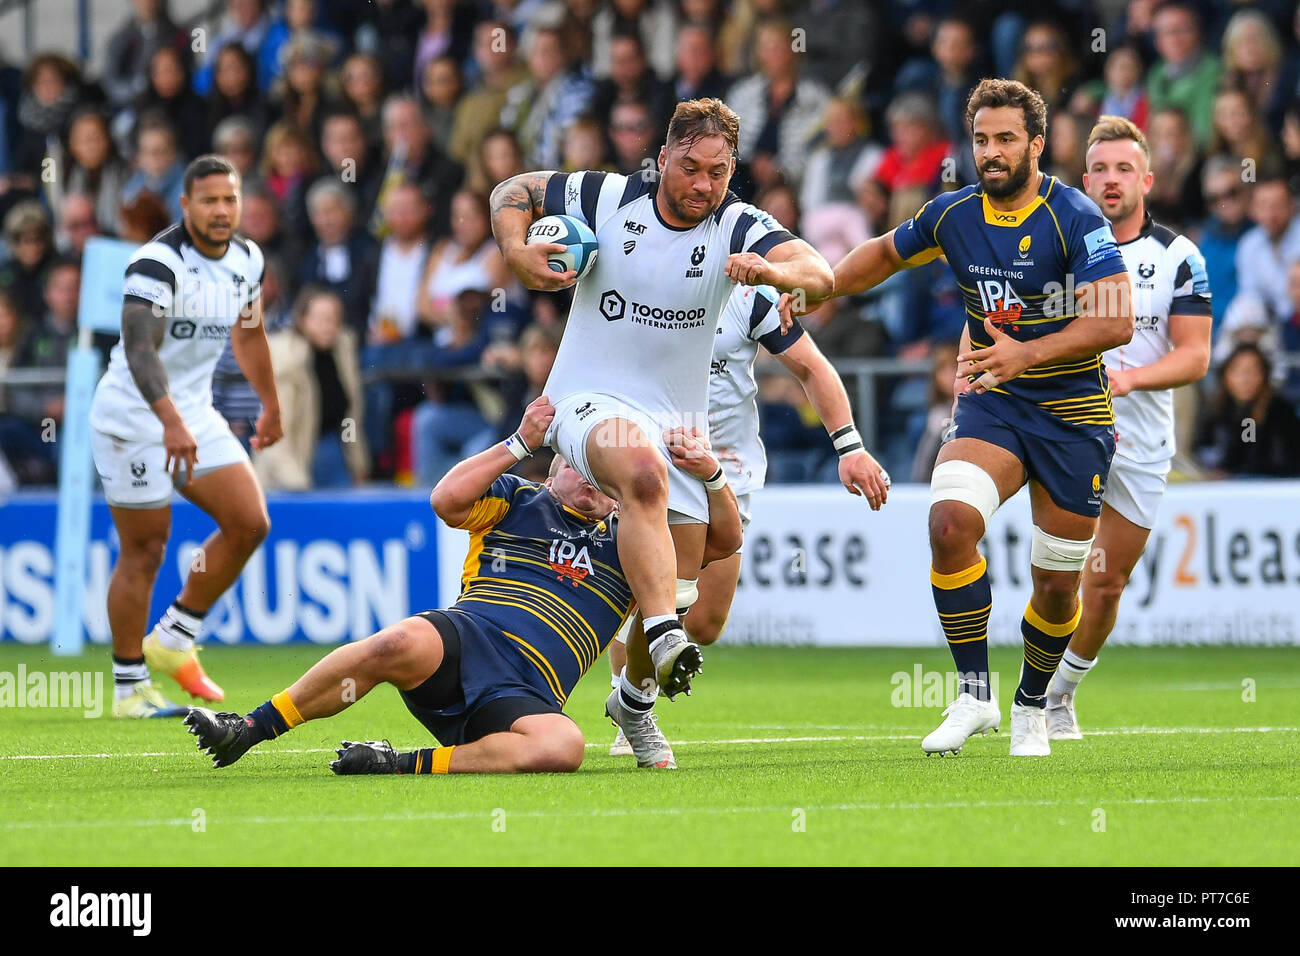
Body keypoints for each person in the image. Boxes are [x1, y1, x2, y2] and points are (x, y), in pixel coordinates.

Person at [487, 97, 835, 746]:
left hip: (673, 423)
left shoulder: (737, 224)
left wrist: (771, 269)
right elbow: (514, 189)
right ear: (663, 159)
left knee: (689, 592)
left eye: (719, 171)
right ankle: (661, 633)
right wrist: (515, 248)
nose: (704, 184)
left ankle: (635, 701)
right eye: (691, 167)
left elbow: (821, 277)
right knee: (644, 479)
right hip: (583, 402)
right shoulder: (609, 197)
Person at [811, 79, 1134, 757]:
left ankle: (1031, 704)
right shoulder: (952, 214)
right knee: (950, 523)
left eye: (1006, 139)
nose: (991, 152)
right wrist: (822, 288)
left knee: (1055, 581)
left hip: (1075, 416)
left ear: (1037, 145)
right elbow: (883, 253)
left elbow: (1118, 319)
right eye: (982, 138)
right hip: (996, 403)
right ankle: (974, 696)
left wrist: (1029, 352)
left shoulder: (1075, 218)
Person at [183, 397, 741, 774]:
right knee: (395, 643)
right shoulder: (517, 497)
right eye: (577, 464)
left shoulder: (635, 541)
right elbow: (445, 499)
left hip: (527, 693)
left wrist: (712, 476)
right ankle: (250, 728)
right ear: (551, 472)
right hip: (464, 642)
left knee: (564, 746)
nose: (591, 479)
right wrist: (520, 441)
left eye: (602, 474)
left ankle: (396, 763)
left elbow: (721, 544)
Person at [605, 281, 891, 757]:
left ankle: (631, 687)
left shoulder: (750, 299)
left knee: (705, 623)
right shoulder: (642, 284)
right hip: (653, 461)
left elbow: (811, 367)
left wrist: (850, 447)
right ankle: (634, 707)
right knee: (663, 598)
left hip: (727, 467)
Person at [89, 155, 282, 717]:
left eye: (230, 199)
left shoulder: (248, 260)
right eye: (209, 201)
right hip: (133, 418)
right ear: (186, 205)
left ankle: (173, 637)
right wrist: (168, 421)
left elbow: (250, 335)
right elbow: (139, 348)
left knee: (249, 522)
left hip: (194, 413)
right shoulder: (157, 263)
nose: (221, 211)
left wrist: (271, 403)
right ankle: (129, 687)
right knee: (146, 547)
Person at [1045, 115, 1212, 739]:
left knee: (1106, 582)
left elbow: (1195, 356)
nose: (1111, 181)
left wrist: (1131, 380)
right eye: (1100, 170)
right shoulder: (1059, 245)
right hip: (1063, 426)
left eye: (1124, 169)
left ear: (1147, 178)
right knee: (1057, 576)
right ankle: (1001, 693)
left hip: (1140, 439)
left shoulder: (1178, 257)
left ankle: (1060, 693)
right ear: (1084, 180)